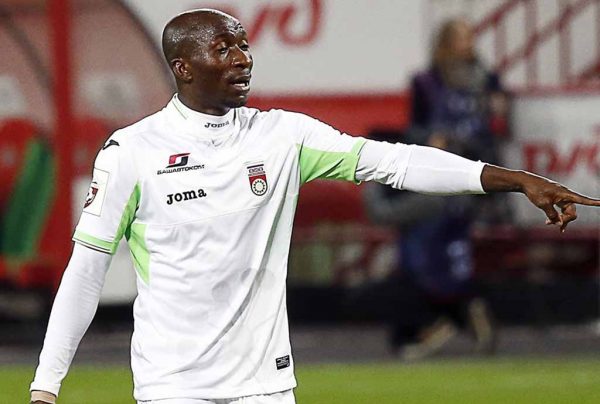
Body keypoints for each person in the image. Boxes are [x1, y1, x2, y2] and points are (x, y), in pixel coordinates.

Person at [30, 9, 600, 404]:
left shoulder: (283, 136)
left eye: (244, 45)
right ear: (183, 67)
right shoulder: (132, 152)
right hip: (173, 386)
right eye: (223, 49)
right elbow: (87, 270)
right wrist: (46, 385)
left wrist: (514, 180)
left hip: (266, 385)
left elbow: (396, 163)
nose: (242, 59)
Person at [363, 18, 508, 358]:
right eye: (462, 37)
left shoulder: (486, 81)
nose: (469, 44)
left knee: (431, 253)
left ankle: (438, 320)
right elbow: (415, 130)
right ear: (445, 43)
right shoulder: (426, 82)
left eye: (470, 37)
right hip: (436, 174)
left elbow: (496, 130)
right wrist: (433, 139)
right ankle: (457, 313)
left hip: (469, 178)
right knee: (426, 252)